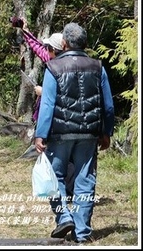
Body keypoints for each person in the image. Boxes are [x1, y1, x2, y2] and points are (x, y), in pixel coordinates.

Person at [34, 23, 115, 244]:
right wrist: (106, 132)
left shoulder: (54, 67)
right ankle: (81, 232)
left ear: (64, 43)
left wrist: (40, 134)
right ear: (85, 43)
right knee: (85, 180)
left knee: (54, 179)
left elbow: (48, 104)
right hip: (89, 134)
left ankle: (64, 217)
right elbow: (108, 106)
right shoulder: (98, 67)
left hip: (60, 134)